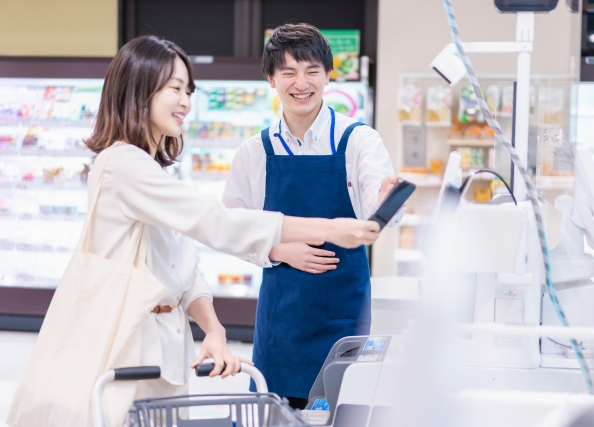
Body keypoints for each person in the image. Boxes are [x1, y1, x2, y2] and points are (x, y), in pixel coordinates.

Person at [24, 35, 380, 403]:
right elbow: (217, 221)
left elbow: (183, 262)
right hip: (125, 341)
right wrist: (330, 228)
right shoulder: (122, 165)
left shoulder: (150, 168)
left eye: (189, 90)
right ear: (139, 90)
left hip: (165, 341)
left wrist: (213, 328)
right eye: (175, 88)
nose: (186, 102)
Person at [222, 23, 403, 409]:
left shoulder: (358, 140)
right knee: (276, 411)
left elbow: (376, 204)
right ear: (271, 78)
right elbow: (233, 227)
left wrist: (388, 199)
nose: (300, 83)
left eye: (311, 71)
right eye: (288, 71)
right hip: (281, 316)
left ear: (328, 74)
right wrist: (280, 251)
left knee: (342, 408)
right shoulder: (255, 151)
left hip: (344, 312)